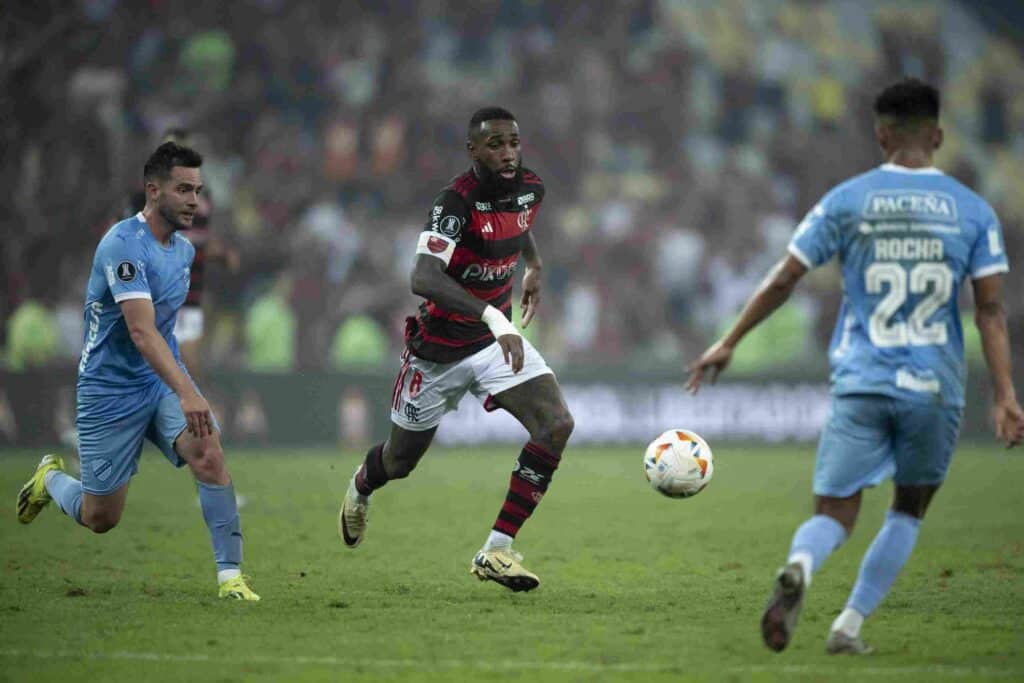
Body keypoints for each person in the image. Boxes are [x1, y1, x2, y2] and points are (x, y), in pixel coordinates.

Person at [687, 78, 1023, 654]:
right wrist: (1005, 396)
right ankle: (848, 626)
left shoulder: (848, 199)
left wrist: (730, 340)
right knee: (909, 508)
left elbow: (786, 276)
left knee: (836, 511)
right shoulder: (974, 211)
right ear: (938, 135)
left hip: (862, 380)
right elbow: (990, 310)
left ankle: (800, 562)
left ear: (881, 133)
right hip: (935, 387)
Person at [337, 107, 574, 592]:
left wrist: (535, 264)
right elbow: (422, 277)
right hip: (438, 351)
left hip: (493, 343)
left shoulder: (531, 188)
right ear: (473, 151)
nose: (507, 153)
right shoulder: (454, 203)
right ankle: (362, 483)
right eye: (495, 145)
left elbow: (518, 223)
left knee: (556, 425)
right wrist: (492, 314)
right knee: (400, 462)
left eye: (513, 142)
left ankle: (497, 550)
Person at [16, 141, 259, 601]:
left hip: (156, 382)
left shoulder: (183, 253)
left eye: (199, 191)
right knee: (100, 517)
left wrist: (182, 386)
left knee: (208, 452)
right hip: (108, 390)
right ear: (153, 191)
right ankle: (51, 479)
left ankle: (230, 579)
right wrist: (190, 392)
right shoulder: (122, 246)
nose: (195, 201)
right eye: (184, 189)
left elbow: (165, 333)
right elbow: (142, 332)